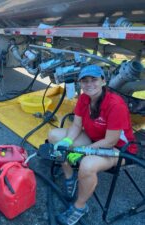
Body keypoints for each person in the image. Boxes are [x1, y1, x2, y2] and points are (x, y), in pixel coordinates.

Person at [47, 64, 137, 225]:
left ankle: (80, 206)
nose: (89, 84)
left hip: (119, 149)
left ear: (103, 81)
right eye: (85, 81)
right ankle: (70, 179)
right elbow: (76, 125)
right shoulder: (84, 98)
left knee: (87, 165)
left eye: (94, 79)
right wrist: (67, 142)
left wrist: (83, 151)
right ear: (80, 84)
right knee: (55, 136)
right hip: (94, 138)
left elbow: (111, 141)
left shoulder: (115, 104)